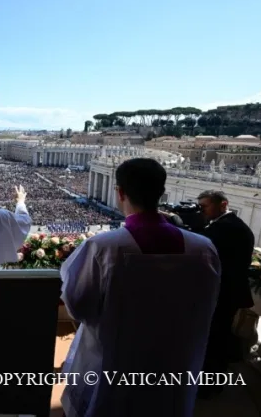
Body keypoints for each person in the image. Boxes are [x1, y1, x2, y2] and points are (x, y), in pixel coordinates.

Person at [59, 158, 221, 417]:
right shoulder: (203, 248)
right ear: (162, 192)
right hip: (175, 362)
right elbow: (209, 303)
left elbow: (78, 306)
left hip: (115, 363)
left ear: (120, 192)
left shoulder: (104, 247)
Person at [197, 190, 255, 398]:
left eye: (205, 206)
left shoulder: (228, 228)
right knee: (214, 338)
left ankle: (210, 386)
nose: (201, 211)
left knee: (216, 340)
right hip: (224, 293)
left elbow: (202, 245)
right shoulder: (227, 225)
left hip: (224, 294)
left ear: (223, 204)